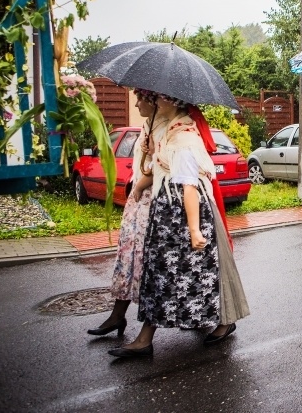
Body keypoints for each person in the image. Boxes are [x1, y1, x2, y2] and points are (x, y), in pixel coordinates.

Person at [108, 93, 249, 357]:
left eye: (157, 100)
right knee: (164, 275)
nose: (152, 104)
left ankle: (217, 321)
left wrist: (194, 229)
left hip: (182, 214)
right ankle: (147, 337)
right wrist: (151, 158)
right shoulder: (170, 133)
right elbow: (163, 171)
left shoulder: (183, 138)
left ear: (171, 102)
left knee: (186, 275)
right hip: (169, 211)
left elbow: (189, 186)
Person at [87, 89, 167, 338]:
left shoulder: (166, 126)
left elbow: (166, 164)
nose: (136, 103)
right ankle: (117, 315)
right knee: (127, 257)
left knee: (148, 261)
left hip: (155, 201)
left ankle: (146, 330)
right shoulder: (147, 125)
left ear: (153, 101)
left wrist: (143, 180)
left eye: (141, 98)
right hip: (138, 202)